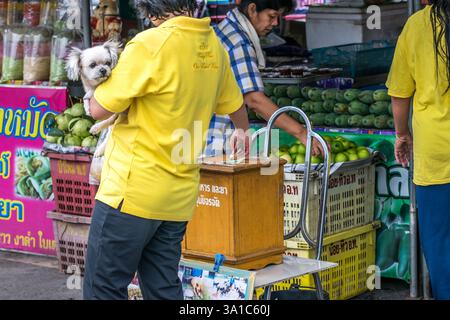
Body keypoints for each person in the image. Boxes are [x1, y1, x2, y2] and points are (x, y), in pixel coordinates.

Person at [83, 0, 249, 300]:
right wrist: (242, 131)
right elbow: (236, 105)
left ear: (148, 7)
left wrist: (90, 96)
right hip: (178, 197)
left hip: (132, 192)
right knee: (162, 288)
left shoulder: (149, 44)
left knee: (103, 287)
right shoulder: (212, 44)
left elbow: (98, 108)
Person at [386, 1, 450, 300]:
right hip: (435, 155)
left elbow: (399, 93)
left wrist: (401, 134)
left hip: (435, 153)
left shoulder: (417, 25)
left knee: (439, 245)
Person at [205, 0, 323, 158]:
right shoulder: (239, 43)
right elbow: (254, 99)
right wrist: (302, 133)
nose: (275, 23)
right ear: (252, 9)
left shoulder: (226, 28)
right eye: (272, 16)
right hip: (217, 143)